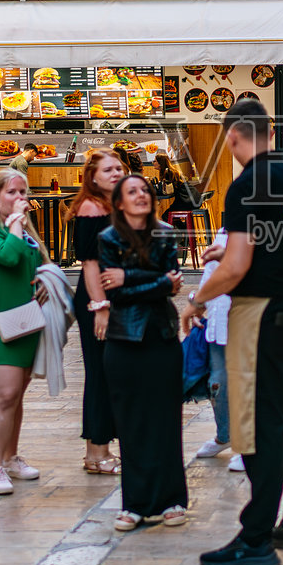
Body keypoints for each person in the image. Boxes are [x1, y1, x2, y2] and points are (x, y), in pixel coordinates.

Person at [182, 99, 283, 565]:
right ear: (271, 131)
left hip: (260, 313)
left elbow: (239, 267)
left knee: (257, 424)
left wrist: (197, 300)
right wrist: (233, 250)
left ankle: (256, 536)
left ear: (233, 136)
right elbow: (272, 243)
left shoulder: (245, 186)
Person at [97, 175, 189, 531]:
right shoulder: (108, 238)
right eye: (132, 191)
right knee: (131, 422)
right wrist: (157, 282)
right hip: (123, 339)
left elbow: (171, 283)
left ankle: (172, 500)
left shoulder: (166, 233)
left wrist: (132, 278)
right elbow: (116, 293)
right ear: (119, 203)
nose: (141, 195)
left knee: (165, 420)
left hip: (162, 336)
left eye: (145, 190)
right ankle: (133, 504)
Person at [0, 168, 48, 496]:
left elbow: (32, 262)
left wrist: (44, 280)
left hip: (26, 319)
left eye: (24, 193)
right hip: (0, 323)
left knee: (17, 394)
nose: (21, 199)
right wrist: (17, 222)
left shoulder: (23, 231)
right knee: (4, 394)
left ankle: (12, 457)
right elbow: (9, 255)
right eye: (13, 193)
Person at [68, 148, 125, 475]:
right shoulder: (91, 207)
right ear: (92, 177)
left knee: (110, 372)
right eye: (108, 170)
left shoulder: (114, 205)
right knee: (100, 373)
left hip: (112, 296)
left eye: (118, 168)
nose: (116, 173)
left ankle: (99, 448)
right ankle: (95, 452)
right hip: (95, 298)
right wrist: (100, 306)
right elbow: (89, 263)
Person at [192, 227, 243, 472]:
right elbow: (211, 272)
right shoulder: (225, 230)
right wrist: (198, 302)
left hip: (246, 315)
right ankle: (225, 435)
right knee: (217, 382)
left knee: (245, 383)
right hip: (218, 316)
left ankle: (248, 445)